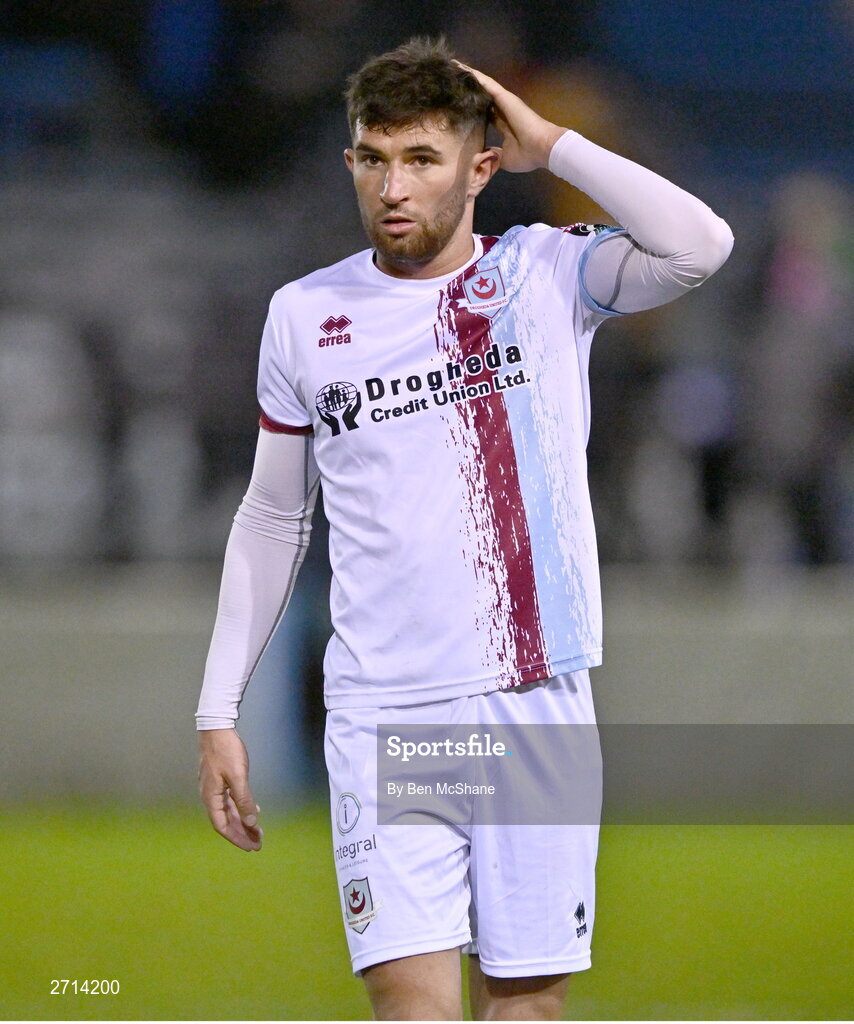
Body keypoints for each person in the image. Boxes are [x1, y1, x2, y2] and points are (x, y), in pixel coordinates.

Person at [195, 38, 733, 1021]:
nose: (392, 185)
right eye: (373, 156)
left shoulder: (545, 276)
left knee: (523, 1007)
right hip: (387, 715)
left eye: (422, 158)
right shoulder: (306, 314)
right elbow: (274, 512)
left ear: (481, 165)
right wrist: (215, 705)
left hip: (532, 701)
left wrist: (555, 145)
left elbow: (699, 245)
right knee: (413, 1008)